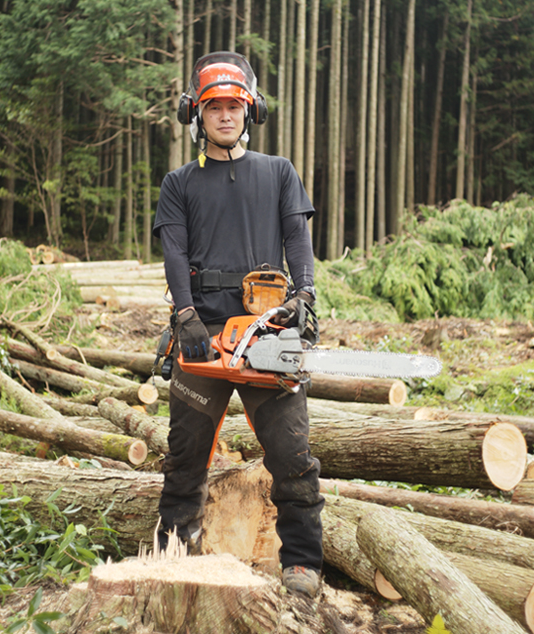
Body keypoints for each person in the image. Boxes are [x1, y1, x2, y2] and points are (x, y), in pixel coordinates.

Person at [151, 51, 323, 598]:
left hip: (266, 334)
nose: (225, 115)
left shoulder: (278, 172)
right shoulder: (178, 183)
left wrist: (304, 294)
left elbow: (297, 238)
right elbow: (174, 252)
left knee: (292, 456)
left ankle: (302, 563)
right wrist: (184, 314)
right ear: (196, 114)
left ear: (251, 110)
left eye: (234, 106)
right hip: (202, 336)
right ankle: (173, 555)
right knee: (185, 457)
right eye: (214, 107)